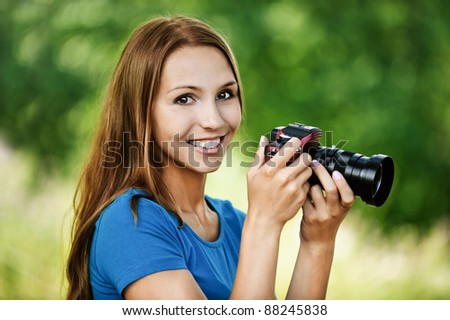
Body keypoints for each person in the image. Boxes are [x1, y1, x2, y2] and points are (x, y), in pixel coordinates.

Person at [65, 15, 354, 300]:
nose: (213, 120)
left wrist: (318, 242)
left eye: (225, 94)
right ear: (141, 113)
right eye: (184, 98)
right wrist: (264, 221)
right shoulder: (130, 221)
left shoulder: (236, 225)